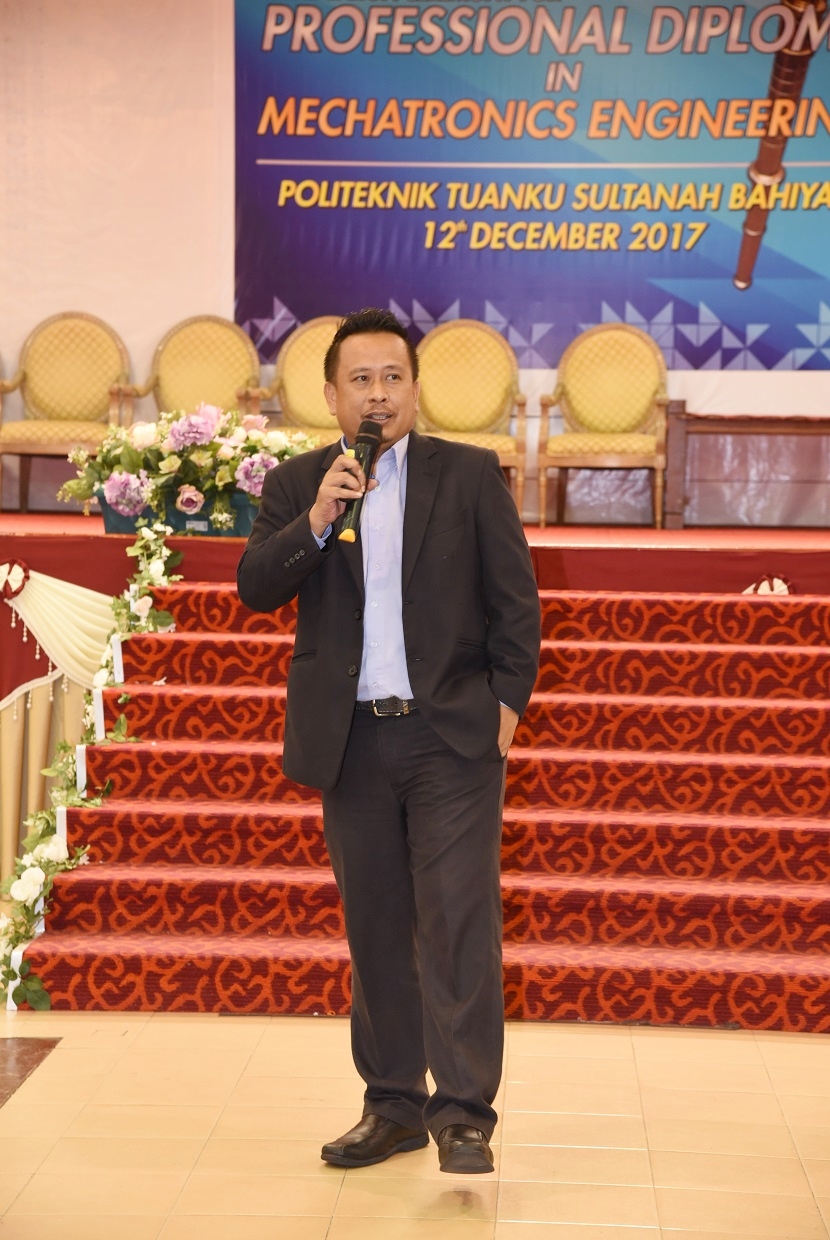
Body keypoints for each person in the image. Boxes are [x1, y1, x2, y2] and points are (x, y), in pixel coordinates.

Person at [237, 308, 541, 1174]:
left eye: (393, 377)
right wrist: (318, 520)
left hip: (450, 738)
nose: (379, 393)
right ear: (331, 396)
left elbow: (517, 604)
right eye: (361, 380)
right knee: (375, 930)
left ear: (414, 388)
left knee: (457, 923)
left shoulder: (468, 475)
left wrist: (505, 709)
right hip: (351, 742)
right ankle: (394, 1105)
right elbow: (256, 586)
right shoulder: (300, 484)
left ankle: (464, 1113)